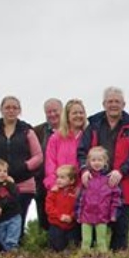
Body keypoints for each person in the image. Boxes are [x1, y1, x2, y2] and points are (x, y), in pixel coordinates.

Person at [78, 87, 129, 251]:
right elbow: (81, 151)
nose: (113, 105)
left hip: (121, 186)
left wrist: (121, 171)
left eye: (117, 101)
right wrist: (84, 170)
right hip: (93, 189)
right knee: (90, 235)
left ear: (124, 104)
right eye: (110, 101)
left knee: (120, 233)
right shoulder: (92, 127)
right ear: (104, 104)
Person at [0, 96, 42, 248]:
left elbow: (38, 156)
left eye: (15, 107)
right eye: (7, 107)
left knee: (17, 225)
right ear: (1, 110)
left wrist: (22, 167)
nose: (11, 110)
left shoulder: (27, 130)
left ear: (19, 110)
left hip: (23, 185)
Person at [44, 99, 86, 247]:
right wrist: (54, 184)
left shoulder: (88, 135)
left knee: (78, 238)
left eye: (81, 112)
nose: (78, 116)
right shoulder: (56, 137)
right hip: (60, 190)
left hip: (81, 191)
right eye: (75, 112)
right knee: (58, 236)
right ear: (67, 115)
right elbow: (50, 163)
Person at [77, 147, 123, 253]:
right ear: (89, 162)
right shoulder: (86, 179)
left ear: (105, 162)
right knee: (86, 241)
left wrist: (113, 214)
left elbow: (116, 199)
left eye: (99, 160)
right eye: (93, 160)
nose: (96, 163)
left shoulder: (109, 180)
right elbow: (80, 199)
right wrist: (79, 214)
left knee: (101, 242)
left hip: (102, 217)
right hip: (86, 216)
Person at [31, 98, 62, 232]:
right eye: (49, 112)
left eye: (55, 111)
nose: (52, 114)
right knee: (45, 216)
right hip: (43, 181)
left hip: (66, 180)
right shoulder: (37, 131)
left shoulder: (72, 129)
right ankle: (45, 244)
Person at [0, 158, 23, 252]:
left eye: (5, 171)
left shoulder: (9, 184)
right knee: (1, 241)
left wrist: (2, 206)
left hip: (13, 217)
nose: (2, 173)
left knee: (11, 241)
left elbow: (15, 197)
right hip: (1, 220)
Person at [44, 165, 79, 252]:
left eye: (62, 177)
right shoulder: (53, 192)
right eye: (57, 177)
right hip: (56, 225)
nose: (58, 180)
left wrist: (72, 217)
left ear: (72, 180)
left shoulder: (75, 193)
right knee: (55, 248)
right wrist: (60, 216)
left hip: (71, 226)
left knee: (72, 248)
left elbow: (78, 207)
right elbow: (49, 208)